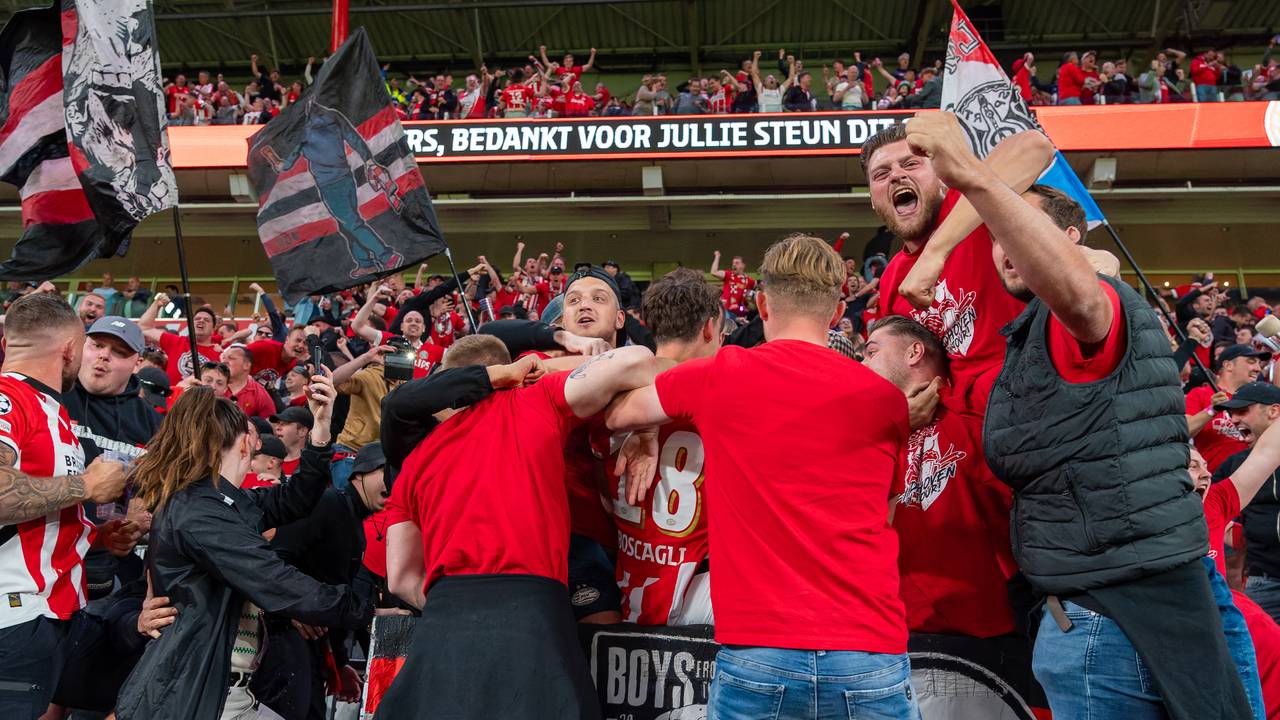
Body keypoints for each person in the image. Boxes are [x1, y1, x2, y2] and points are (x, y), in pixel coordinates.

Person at [903, 110, 1246, 717]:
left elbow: (1084, 296)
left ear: (1072, 242)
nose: (1005, 244)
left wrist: (975, 182)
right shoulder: (1027, 335)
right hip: (1120, 594)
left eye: (1021, 229)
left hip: (1114, 612)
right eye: (998, 235)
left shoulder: (1085, 312)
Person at [608, 234, 919, 719]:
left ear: (761, 304)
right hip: (868, 646)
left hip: (760, 650)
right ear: (838, 312)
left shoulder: (723, 373)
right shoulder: (886, 400)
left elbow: (616, 411)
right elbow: (887, 514)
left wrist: (645, 427)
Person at [380, 345, 658, 718]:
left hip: (445, 629)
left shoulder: (416, 460)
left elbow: (400, 580)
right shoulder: (531, 400)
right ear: (509, 374)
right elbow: (636, 360)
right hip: (534, 619)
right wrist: (647, 427)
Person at [115, 373, 371, 720]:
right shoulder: (201, 512)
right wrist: (370, 609)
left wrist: (321, 428)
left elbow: (297, 498)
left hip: (228, 688)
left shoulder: (224, 503)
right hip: (198, 692)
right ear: (245, 443)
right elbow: (278, 582)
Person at [0, 294, 131, 719]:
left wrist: (93, 538)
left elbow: (33, 519)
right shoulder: (8, 396)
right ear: (72, 350)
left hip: (52, 612)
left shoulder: (51, 410)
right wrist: (85, 485)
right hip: (13, 615)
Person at [863, 120, 1053, 411]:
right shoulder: (891, 281)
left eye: (911, 164)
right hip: (964, 430)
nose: (897, 176)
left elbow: (1035, 147)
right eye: (881, 173)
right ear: (874, 202)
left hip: (1033, 403)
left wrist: (935, 252)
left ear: (941, 178)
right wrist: (901, 408)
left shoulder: (971, 204)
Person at [862, 316, 1017, 639]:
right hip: (885, 629)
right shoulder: (865, 434)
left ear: (914, 352)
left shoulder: (975, 414)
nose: (861, 363)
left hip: (978, 633)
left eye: (871, 351)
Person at [591, 269, 722, 625]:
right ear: (710, 328)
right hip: (702, 601)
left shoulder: (605, 396)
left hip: (623, 596)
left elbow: (602, 496)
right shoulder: (723, 394)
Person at [252, 442, 388, 717]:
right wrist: (292, 610)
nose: (394, 483)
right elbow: (274, 559)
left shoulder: (352, 520)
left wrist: (339, 663)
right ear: (360, 472)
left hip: (309, 649)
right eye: (387, 472)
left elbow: (332, 595)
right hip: (283, 644)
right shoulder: (328, 504)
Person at [1216, 382, 1280, 622]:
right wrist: (1230, 530)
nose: (1233, 419)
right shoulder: (1234, 464)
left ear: (1273, 411)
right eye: (1231, 413)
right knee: (1256, 655)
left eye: (1242, 411)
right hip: (1264, 579)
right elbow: (1201, 505)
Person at [1188, 344, 1269, 473]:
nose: (1258, 368)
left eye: (1259, 364)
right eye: (1251, 362)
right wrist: (1212, 410)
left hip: (1250, 479)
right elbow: (1184, 430)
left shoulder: (1258, 400)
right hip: (1213, 481)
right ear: (1228, 365)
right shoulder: (1201, 394)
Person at [139, 295, 223, 382]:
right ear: (190, 325)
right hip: (173, 395)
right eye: (197, 319)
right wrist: (157, 304)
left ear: (213, 329)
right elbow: (144, 328)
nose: (201, 321)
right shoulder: (175, 342)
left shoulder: (221, 355)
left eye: (206, 320)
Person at [221, 345, 276, 419]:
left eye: (231, 358)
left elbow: (269, 425)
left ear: (246, 365)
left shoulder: (259, 394)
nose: (224, 361)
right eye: (223, 358)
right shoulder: (212, 386)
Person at [709, 250, 756, 322]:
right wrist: (717, 257)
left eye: (737, 263)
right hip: (726, 311)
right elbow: (714, 272)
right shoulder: (729, 275)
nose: (734, 265)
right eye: (733, 263)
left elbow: (759, 288)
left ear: (743, 265)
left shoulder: (749, 281)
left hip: (741, 314)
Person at [270, 406, 312, 480]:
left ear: (302, 431)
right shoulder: (269, 463)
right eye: (278, 423)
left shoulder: (313, 465)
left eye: (284, 423)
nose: (277, 428)